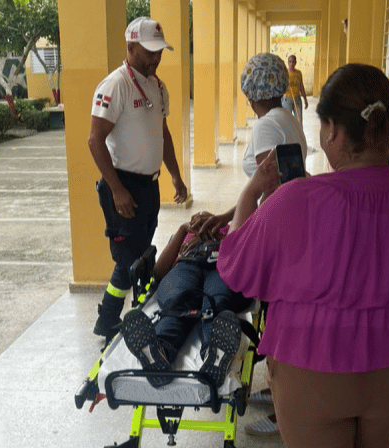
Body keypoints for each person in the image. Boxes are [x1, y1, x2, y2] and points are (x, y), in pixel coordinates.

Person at [217, 63, 389, 448]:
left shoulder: (296, 200)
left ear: (332, 130)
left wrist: (250, 192)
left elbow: (235, 266)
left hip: (312, 366)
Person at [88, 17, 188, 340]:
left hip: (149, 185)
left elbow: (163, 135)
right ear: (131, 47)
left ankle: (139, 314)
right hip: (123, 186)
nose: (156, 58)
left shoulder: (158, 87)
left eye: (159, 52)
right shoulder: (115, 85)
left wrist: (176, 176)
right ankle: (109, 319)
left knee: (143, 255)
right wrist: (116, 189)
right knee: (128, 260)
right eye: (149, 52)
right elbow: (95, 140)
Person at [120, 214, 249, 388]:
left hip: (222, 264)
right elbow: (158, 273)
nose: (202, 220)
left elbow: (247, 256)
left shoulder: (231, 228)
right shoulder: (186, 236)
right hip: (186, 265)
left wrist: (223, 240)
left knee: (216, 303)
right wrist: (182, 232)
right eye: (197, 220)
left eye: (208, 218)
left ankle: (215, 354)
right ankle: (158, 353)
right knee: (177, 305)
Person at [194, 53, 307, 240]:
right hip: (289, 217)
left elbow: (271, 189)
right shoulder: (288, 118)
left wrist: (244, 232)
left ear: (251, 93)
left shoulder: (266, 126)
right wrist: (227, 217)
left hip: (274, 225)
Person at [281, 55, 308, 124]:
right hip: (287, 99)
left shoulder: (298, 73)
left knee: (299, 121)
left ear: (296, 63)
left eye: (293, 62)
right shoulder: (284, 73)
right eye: (290, 62)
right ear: (288, 62)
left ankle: (299, 134)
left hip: (297, 99)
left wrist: (305, 99)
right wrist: (286, 83)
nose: (291, 64)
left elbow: (301, 86)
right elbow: (280, 87)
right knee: (287, 120)